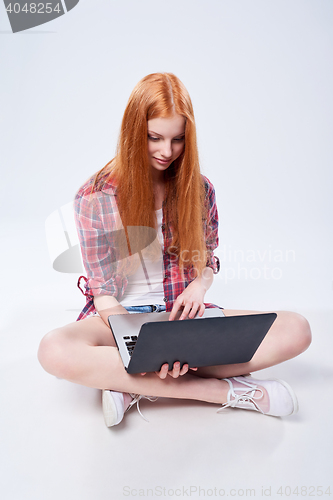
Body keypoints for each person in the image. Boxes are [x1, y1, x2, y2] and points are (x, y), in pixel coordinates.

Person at [38, 73, 311, 427]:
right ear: (134, 131)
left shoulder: (200, 190)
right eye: (155, 137)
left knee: (296, 328)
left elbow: (207, 259)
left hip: (183, 320)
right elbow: (103, 295)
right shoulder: (94, 197)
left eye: (178, 139)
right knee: (53, 349)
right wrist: (140, 344)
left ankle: (127, 384)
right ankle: (224, 391)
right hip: (119, 322)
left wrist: (199, 287)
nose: (167, 151)